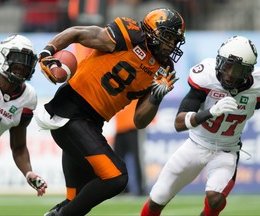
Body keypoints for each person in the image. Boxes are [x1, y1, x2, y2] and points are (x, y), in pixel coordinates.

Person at [35, 7, 186, 216]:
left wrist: (155, 97)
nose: (171, 45)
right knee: (117, 178)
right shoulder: (131, 34)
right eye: (168, 36)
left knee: (76, 200)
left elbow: (140, 120)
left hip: (92, 123)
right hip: (72, 110)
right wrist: (47, 51)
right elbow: (77, 33)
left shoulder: (163, 69)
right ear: (152, 31)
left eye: (175, 40)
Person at [141, 35, 260, 216]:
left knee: (216, 198)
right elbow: (179, 122)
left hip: (226, 151)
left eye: (237, 70)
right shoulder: (206, 77)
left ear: (248, 72)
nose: (229, 74)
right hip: (195, 145)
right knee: (157, 199)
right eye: (227, 66)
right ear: (219, 62)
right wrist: (210, 112)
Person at [0, 34, 47, 196]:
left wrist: (28, 172)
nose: (21, 67)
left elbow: (19, 147)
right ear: (1, 57)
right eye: (17, 60)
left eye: (26, 63)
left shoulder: (27, 99)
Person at [113, 100, 145, 196]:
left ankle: (140, 188)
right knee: (118, 159)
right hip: (119, 127)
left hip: (133, 126)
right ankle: (122, 189)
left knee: (137, 158)